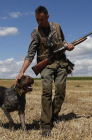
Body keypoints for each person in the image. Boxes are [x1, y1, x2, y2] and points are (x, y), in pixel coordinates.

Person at [15, 6, 74, 136]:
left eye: (41, 19)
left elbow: (63, 41)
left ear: (47, 17)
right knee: (46, 93)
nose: (39, 22)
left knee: (60, 92)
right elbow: (30, 54)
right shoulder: (35, 33)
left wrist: (68, 46)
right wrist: (21, 71)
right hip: (46, 66)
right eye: (37, 20)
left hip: (61, 63)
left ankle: (52, 116)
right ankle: (46, 125)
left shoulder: (57, 26)